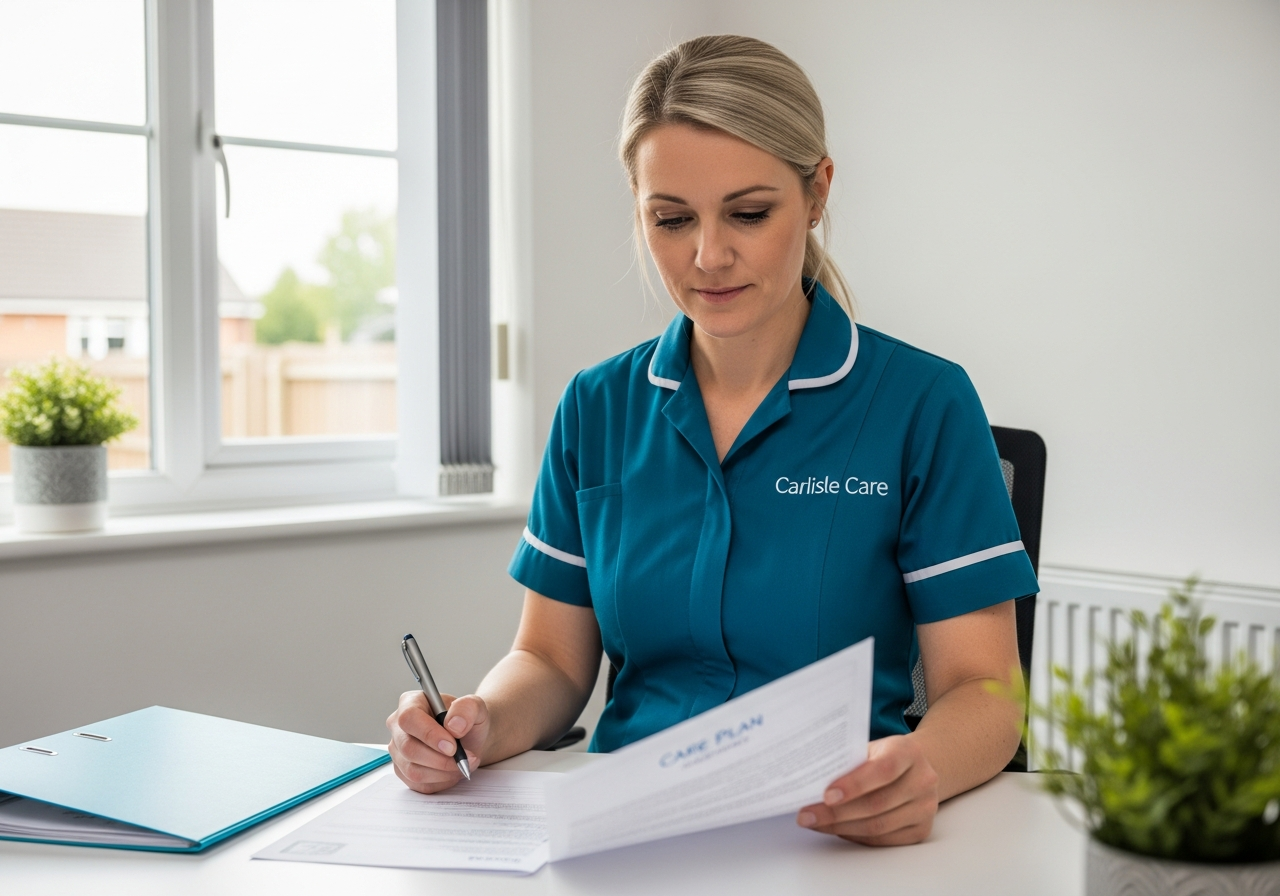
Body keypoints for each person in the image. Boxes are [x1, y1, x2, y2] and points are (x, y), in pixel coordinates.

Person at [387, 34, 1038, 847]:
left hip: (830, 833)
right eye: (670, 219)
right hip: (626, 835)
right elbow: (550, 663)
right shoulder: (597, 406)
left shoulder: (924, 404)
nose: (708, 257)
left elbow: (984, 688)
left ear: (818, 190)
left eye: (749, 213)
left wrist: (919, 769)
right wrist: (480, 724)